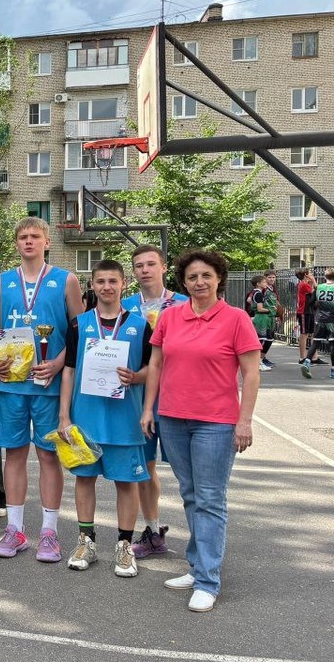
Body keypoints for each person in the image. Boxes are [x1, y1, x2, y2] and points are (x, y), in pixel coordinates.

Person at [141, 249, 261, 613]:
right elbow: (156, 364)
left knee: (210, 499)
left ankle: (208, 580)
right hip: (172, 418)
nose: (199, 282)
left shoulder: (236, 319)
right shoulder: (170, 316)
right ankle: (197, 567)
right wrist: (148, 409)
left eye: (206, 275)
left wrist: (244, 420)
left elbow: (251, 373)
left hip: (216, 423)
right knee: (191, 495)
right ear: (183, 281)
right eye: (192, 277)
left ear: (219, 278)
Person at [0, 217, 84, 562]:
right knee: (13, 454)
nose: (29, 241)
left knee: (48, 455)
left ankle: (49, 533)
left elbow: (79, 332)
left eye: (35, 236)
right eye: (23, 237)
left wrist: (57, 363)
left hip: (48, 383)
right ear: (16, 243)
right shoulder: (0, 282)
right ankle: (15, 530)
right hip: (11, 384)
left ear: (46, 242)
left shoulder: (66, 280)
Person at [58, 260, 151, 578]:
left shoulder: (140, 325)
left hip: (125, 420)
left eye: (113, 281)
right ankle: (86, 541)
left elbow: (154, 369)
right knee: (84, 479)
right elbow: (69, 370)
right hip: (86, 419)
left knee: (127, 483)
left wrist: (136, 377)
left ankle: (124, 545)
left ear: (124, 283)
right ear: (92, 285)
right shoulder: (79, 324)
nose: (107, 287)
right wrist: (64, 415)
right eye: (101, 281)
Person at [122, 245, 188, 559]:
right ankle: (152, 530)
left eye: (151, 264)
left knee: (188, 471)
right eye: (139, 265)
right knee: (145, 468)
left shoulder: (185, 303)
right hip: (138, 400)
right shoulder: (125, 306)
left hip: (177, 397)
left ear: (163, 267)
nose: (145, 270)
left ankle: (204, 539)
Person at [301, 268, 334, 379]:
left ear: (325, 277)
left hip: (319, 318)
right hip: (332, 320)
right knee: (332, 344)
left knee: (315, 342)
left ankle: (307, 362)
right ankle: (333, 371)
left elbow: (311, 302)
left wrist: (318, 307)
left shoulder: (319, 287)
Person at [295, 268, 321, 366]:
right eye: (310, 273)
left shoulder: (306, 284)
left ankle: (314, 357)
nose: (311, 274)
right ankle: (302, 357)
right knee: (304, 334)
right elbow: (318, 291)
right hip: (304, 312)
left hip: (310, 311)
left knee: (313, 333)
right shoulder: (303, 284)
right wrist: (313, 280)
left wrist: (311, 282)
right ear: (306, 275)